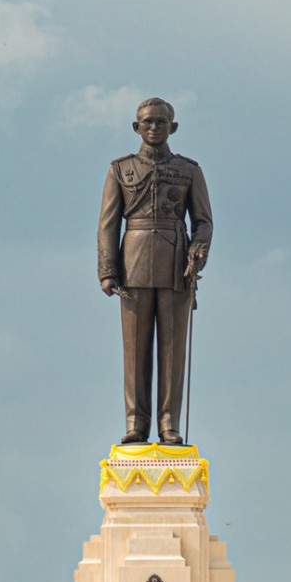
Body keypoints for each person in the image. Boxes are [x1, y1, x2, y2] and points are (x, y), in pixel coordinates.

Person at [98, 97, 214, 445]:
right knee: (135, 350)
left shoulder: (189, 170)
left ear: (172, 128)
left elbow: (204, 222)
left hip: (176, 265)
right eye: (146, 122)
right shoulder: (120, 169)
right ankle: (136, 423)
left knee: (172, 349)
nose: (153, 128)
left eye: (160, 122)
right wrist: (107, 270)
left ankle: (168, 425)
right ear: (136, 127)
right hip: (132, 262)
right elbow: (107, 224)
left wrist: (198, 252)